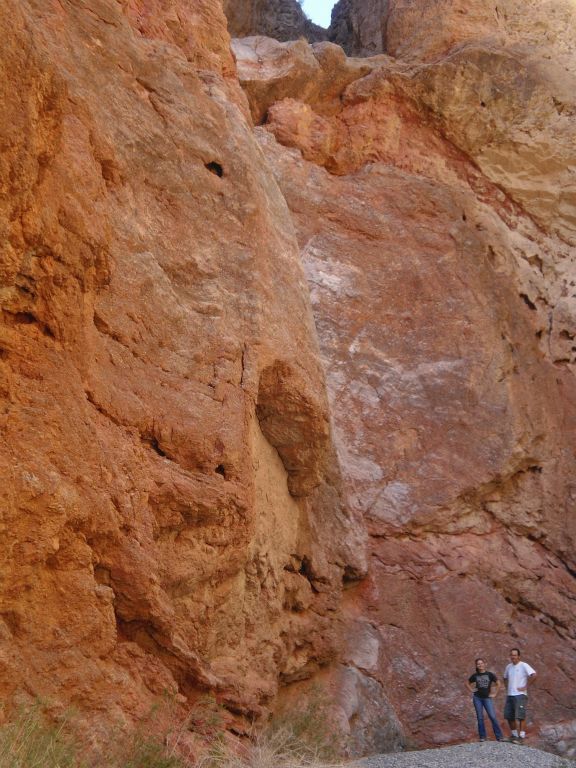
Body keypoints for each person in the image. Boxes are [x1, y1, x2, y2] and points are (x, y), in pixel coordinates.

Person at [503, 648, 537, 743]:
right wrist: (507, 688)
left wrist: (525, 686)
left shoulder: (523, 665)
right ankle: (514, 735)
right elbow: (504, 677)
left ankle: (521, 737)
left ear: (519, 656)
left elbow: (534, 675)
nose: (513, 656)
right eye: (511, 655)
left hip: (520, 695)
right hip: (510, 695)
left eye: (515, 655)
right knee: (509, 716)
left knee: (520, 716)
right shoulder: (508, 667)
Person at [467, 658, 504, 741]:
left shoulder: (490, 674)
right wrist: (471, 690)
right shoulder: (475, 675)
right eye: (478, 664)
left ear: (485, 664)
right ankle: (482, 737)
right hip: (477, 698)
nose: (480, 665)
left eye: (481, 663)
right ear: (476, 665)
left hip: (487, 698)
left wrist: (495, 693)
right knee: (480, 717)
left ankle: (499, 736)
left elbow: (498, 683)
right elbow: (467, 683)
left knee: (492, 716)